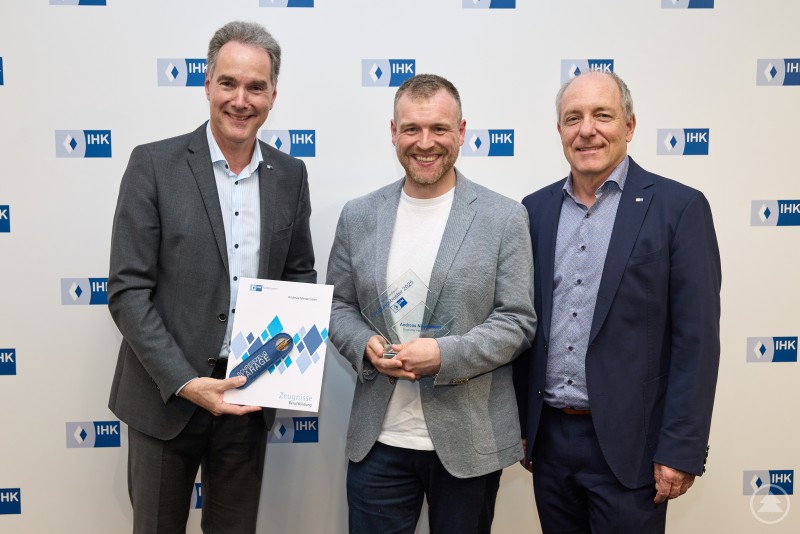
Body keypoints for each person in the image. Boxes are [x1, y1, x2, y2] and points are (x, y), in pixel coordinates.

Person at [107, 21, 315, 533]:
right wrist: (184, 382)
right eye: (228, 83)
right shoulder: (153, 164)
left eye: (255, 87)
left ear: (273, 96)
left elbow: (298, 277)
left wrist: (275, 371)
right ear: (207, 86)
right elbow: (128, 291)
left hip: (249, 398)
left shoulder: (291, 175)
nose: (240, 100)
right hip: (164, 400)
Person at [326, 74, 537, 534]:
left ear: (461, 132)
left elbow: (517, 321)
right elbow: (338, 306)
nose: (425, 143)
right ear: (393, 132)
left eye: (439, 128)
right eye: (412, 129)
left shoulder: (504, 217)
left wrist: (443, 355)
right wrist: (365, 346)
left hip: (469, 442)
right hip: (379, 442)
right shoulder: (359, 215)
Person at [514, 70, 721, 533]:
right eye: (573, 118)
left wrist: (680, 449)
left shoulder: (679, 208)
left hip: (634, 448)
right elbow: (525, 325)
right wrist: (523, 425)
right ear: (560, 130)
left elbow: (697, 341)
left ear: (629, 126)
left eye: (602, 116)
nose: (587, 130)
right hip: (550, 444)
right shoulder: (534, 210)